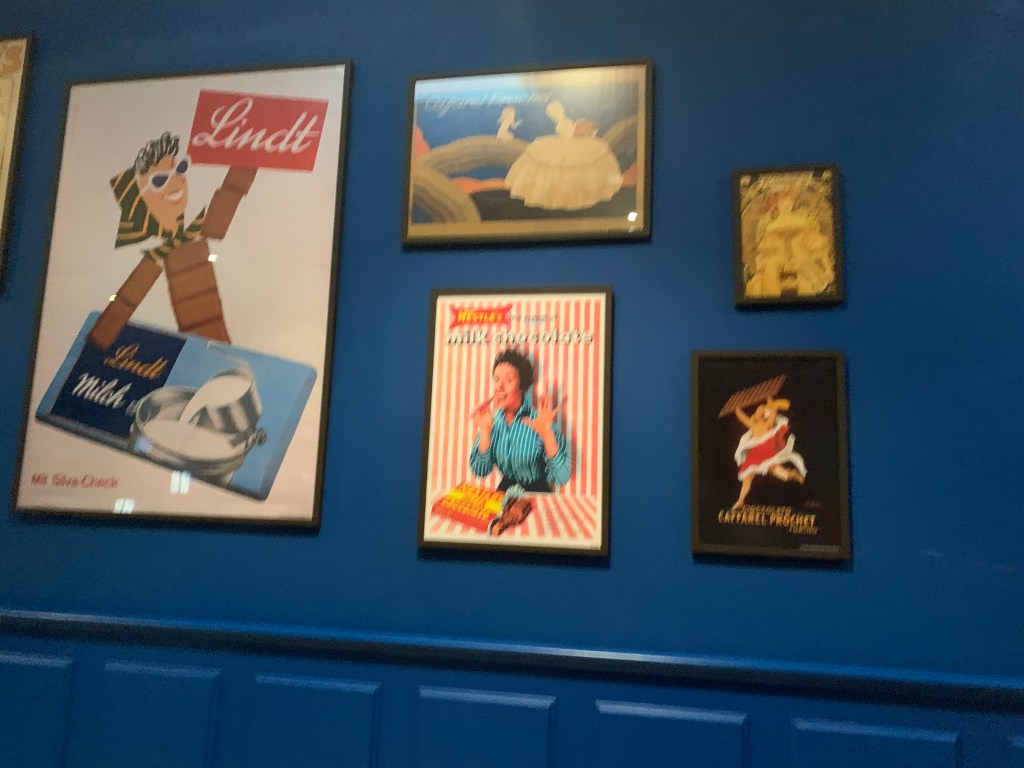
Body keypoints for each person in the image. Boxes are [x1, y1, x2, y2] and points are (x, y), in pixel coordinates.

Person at [469, 348, 571, 492]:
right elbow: (480, 470)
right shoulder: (490, 422)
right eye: (496, 379)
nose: (499, 386)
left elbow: (562, 477)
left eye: (508, 380)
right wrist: (485, 431)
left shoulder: (539, 421)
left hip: (536, 492)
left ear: (522, 385)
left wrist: (546, 433)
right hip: (504, 491)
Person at [504, 100, 622, 211]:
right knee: (552, 164)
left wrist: (580, 131)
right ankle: (555, 192)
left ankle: (577, 192)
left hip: (576, 144)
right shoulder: (565, 122)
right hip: (564, 142)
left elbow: (583, 132)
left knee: (578, 164)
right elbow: (568, 132)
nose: (580, 127)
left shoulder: (580, 130)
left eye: (583, 126)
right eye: (580, 126)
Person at [731, 397, 806, 509]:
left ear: (763, 415)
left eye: (759, 412)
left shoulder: (768, 424)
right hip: (755, 455)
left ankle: (794, 474)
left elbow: (774, 410)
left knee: (784, 476)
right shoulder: (753, 425)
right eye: (757, 412)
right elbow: (743, 418)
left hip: (767, 455)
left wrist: (770, 401)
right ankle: (741, 500)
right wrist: (737, 409)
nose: (756, 414)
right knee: (747, 477)